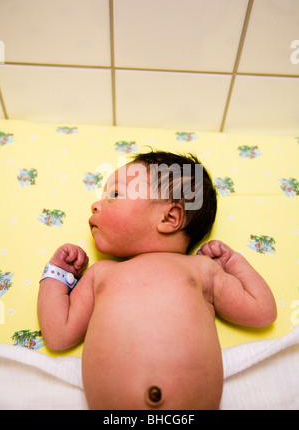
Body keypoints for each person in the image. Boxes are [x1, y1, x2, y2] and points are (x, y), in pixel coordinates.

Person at [37, 150, 277, 410]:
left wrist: (233, 263)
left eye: (114, 195)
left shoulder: (201, 269)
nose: (95, 205)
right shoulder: (100, 273)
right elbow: (58, 334)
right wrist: (58, 274)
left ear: (169, 218)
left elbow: (262, 311)